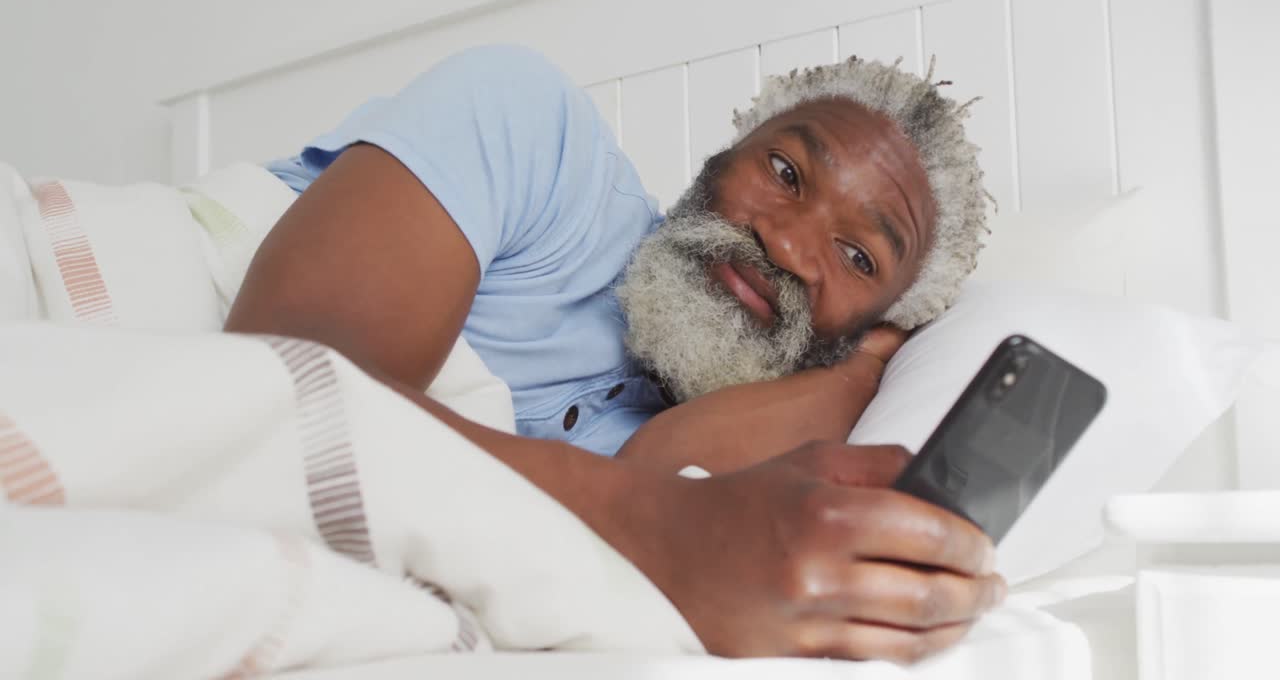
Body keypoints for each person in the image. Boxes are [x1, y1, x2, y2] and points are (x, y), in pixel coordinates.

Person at [229, 45, 1000, 662]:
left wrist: (862, 374)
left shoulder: (708, 450)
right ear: (725, 156)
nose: (789, 243)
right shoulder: (538, 135)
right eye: (785, 172)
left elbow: (655, 480)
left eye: (859, 258)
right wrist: (670, 522)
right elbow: (277, 403)